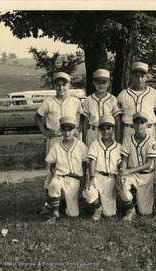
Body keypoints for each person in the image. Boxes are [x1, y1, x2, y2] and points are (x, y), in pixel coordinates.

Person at [35, 72, 84, 215]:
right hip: (55, 137)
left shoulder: (75, 101)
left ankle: (73, 198)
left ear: (69, 85)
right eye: (58, 84)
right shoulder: (48, 101)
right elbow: (37, 117)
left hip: (71, 137)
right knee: (51, 171)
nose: (61, 87)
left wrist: (79, 129)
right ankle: (48, 204)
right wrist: (44, 130)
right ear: (54, 85)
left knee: (72, 167)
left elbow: (83, 116)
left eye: (64, 84)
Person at [45, 116, 88, 223]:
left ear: (74, 131)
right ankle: (55, 212)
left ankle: (64, 203)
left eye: (70, 130)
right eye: (64, 130)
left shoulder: (81, 146)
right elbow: (51, 165)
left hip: (75, 180)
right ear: (61, 130)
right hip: (61, 177)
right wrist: (54, 175)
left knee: (73, 214)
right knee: (54, 184)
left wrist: (82, 188)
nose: (67, 133)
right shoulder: (56, 146)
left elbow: (84, 165)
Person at [117, 112, 156, 221]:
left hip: (146, 176)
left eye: (142, 123)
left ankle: (138, 199)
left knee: (145, 212)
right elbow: (124, 159)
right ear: (132, 125)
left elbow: (148, 164)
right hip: (133, 175)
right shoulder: (127, 139)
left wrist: (129, 170)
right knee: (122, 182)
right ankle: (130, 209)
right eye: (137, 123)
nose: (139, 126)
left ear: (147, 124)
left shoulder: (151, 141)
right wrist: (122, 171)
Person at [82, 115, 122, 220]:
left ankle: (103, 202)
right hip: (97, 176)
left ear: (113, 129)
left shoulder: (118, 146)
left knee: (109, 214)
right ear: (99, 130)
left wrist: (119, 179)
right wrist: (91, 178)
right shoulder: (95, 144)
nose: (105, 132)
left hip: (110, 178)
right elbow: (92, 161)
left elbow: (120, 165)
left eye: (108, 128)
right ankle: (97, 207)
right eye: (103, 129)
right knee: (88, 191)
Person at [117, 62, 156, 141]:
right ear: (132, 76)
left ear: (146, 77)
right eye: (136, 76)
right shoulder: (123, 94)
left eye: (142, 76)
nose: (139, 79)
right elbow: (118, 118)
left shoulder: (153, 93)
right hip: (130, 130)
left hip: (148, 130)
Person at [82, 69, 123, 147]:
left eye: (103, 82)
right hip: (92, 133)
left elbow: (117, 122)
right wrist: (83, 142)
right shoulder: (88, 100)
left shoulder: (113, 99)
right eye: (98, 82)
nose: (101, 85)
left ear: (108, 83)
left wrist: (118, 142)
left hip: (108, 132)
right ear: (93, 82)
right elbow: (85, 123)